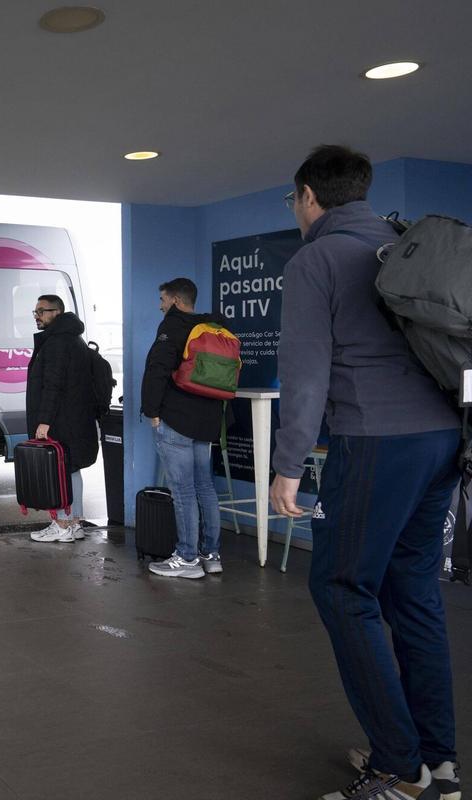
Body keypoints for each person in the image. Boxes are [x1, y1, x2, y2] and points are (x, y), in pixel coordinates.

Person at [270, 145, 461, 800]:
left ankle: (398, 771)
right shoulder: (404, 244)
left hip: (376, 442)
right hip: (444, 439)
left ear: (307, 197)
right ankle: (439, 762)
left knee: (343, 588)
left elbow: (306, 373)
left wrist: (287, 465)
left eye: (293, 202)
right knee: (413, 591)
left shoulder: (315, 259)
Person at [139, 278, 226, 579]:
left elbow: (157, 370)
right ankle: (211, 555)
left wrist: (151, 411)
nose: (160, 305)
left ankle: (187, 558)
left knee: (183, 490)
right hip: (207, 420)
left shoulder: (172, 327)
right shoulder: (213, 328)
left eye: (163, 299)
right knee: (205, 487)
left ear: (176, 300)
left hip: (177, 420)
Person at [26, 295, 99, 542]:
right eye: (35, 312)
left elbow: (53, 385)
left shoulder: (57, 342)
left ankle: (62, 524)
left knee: (56, 470)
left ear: (56, 312)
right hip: (73, 417)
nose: (37, 316)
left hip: (60, 419)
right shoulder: (73, 338)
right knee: (71, 468)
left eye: (41, 311)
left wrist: (44, 421)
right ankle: (75, 522)